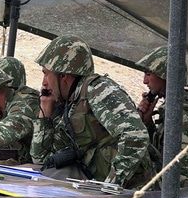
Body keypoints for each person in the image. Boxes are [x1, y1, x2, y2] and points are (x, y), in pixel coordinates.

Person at [30, 35, 153, 188]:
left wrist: (110, 187)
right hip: (97, 186)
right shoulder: (72, 104)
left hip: (133, 193)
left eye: (46, 73)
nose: (44, 83)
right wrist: (45, 113)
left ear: (64, 76)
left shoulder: (98, 90)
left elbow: (136, 135)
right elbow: (40, 159)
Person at [136, 46, 188, 186]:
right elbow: (162, 153)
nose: (144, 81)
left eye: (148, 74)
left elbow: (181, 176)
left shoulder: (181, 114)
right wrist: (147, 122)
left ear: (165, 74)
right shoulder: (178, 104)